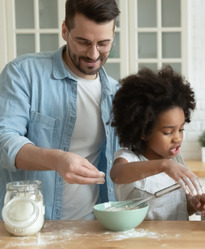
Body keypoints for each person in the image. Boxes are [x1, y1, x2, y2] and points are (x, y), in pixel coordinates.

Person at [0, 0, 121, 220]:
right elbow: (4, 140)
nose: (94, 54)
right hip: (30, 227)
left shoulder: (116, 94)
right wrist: (57, 160)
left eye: (103, 43)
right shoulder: (23, 74)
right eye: (83, 42)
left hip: (95, 228)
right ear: (65, 30)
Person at [110, 66, 205, 220]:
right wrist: (163, 165)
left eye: (181, 130)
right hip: (141, 243)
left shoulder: (177, 161)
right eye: (168, 132)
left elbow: (176, 209)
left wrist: (194, 204)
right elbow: (117, 175)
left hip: (175, 241)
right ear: (144, 131)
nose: (177, 138)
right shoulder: (129, 159)